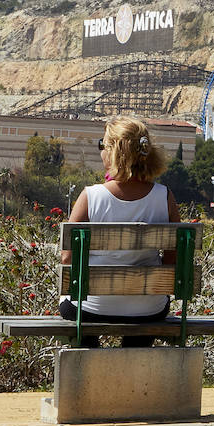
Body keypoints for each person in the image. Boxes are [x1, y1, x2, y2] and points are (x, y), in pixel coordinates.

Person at [58, 115, 178, 347]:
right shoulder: (165, 197)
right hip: (149, 308)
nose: (101, 151)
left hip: (91, 307)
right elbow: (172, 258)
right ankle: (135, 356)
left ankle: (89, 355)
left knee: (74, 305)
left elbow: (67, 257)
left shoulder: (91, 197)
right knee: (142, 313)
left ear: (114, 151)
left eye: (102, 145)